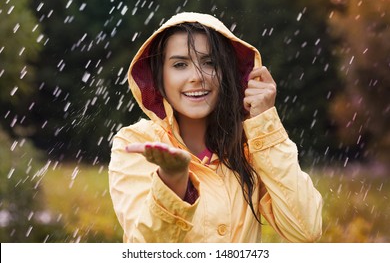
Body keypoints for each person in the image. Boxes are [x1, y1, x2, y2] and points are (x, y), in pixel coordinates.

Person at [108, 12, 323, 243]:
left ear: (227, 73)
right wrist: (172, 182)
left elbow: (306, 230)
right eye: (180, 64)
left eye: (210, 63)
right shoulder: (135, 143)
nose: (197, 77)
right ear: (158, 77)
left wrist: (264, 123)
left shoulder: (250, 147)